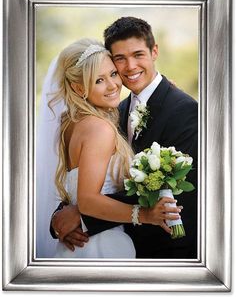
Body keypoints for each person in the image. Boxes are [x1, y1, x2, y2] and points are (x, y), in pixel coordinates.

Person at [50, 16, 198, 259]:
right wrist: (60, 217)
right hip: (111, 245)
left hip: (165, 249)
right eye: (120, 58)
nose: (129, 67)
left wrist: (82, 216)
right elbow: (90, 175)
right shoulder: (113, 112)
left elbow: (170, 188)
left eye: (138, 54)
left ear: (154, 52)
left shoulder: (184, 109)